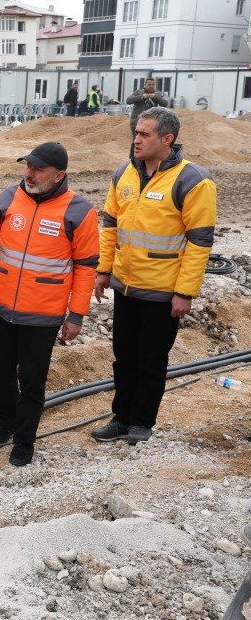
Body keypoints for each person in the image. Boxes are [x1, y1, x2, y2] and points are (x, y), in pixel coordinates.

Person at [0, 142, 99, 466]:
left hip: (43, 315)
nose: (29, 173)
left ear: (59, 175)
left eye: (38, 169)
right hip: (2, 306)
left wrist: (76, 314)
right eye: (27, 166)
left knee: (31, 381)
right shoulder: (8, 198)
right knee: (0, 372)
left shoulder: (79, 211)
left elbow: (86, 268)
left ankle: (24, 440)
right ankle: (5, 421)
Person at [92, 107, 217, 445]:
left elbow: (199, 242)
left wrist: (185, 293)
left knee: (151, 360)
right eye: (136, 132)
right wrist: (103, 271)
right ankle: (121, 418)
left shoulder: (193, 181)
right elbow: (110, 227)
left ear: (167, 139)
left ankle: (141, 422)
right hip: (126, 287)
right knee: (124, 357)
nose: (136, 139)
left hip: (162, 291)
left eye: (144, 134)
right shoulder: (124, 174)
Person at [125, 79, 168, 158]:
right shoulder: (139, 92)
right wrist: (142, 97)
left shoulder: (157, 94)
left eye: (153, 84)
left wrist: (155, 97)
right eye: (149, 84)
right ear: (145, 85)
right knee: (136, 140)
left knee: (148, 141)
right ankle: (133, 159)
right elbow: (128, 100)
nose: (151, 86)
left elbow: (165, 103)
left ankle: (145, 158)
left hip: (151, 123)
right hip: (137, 122)